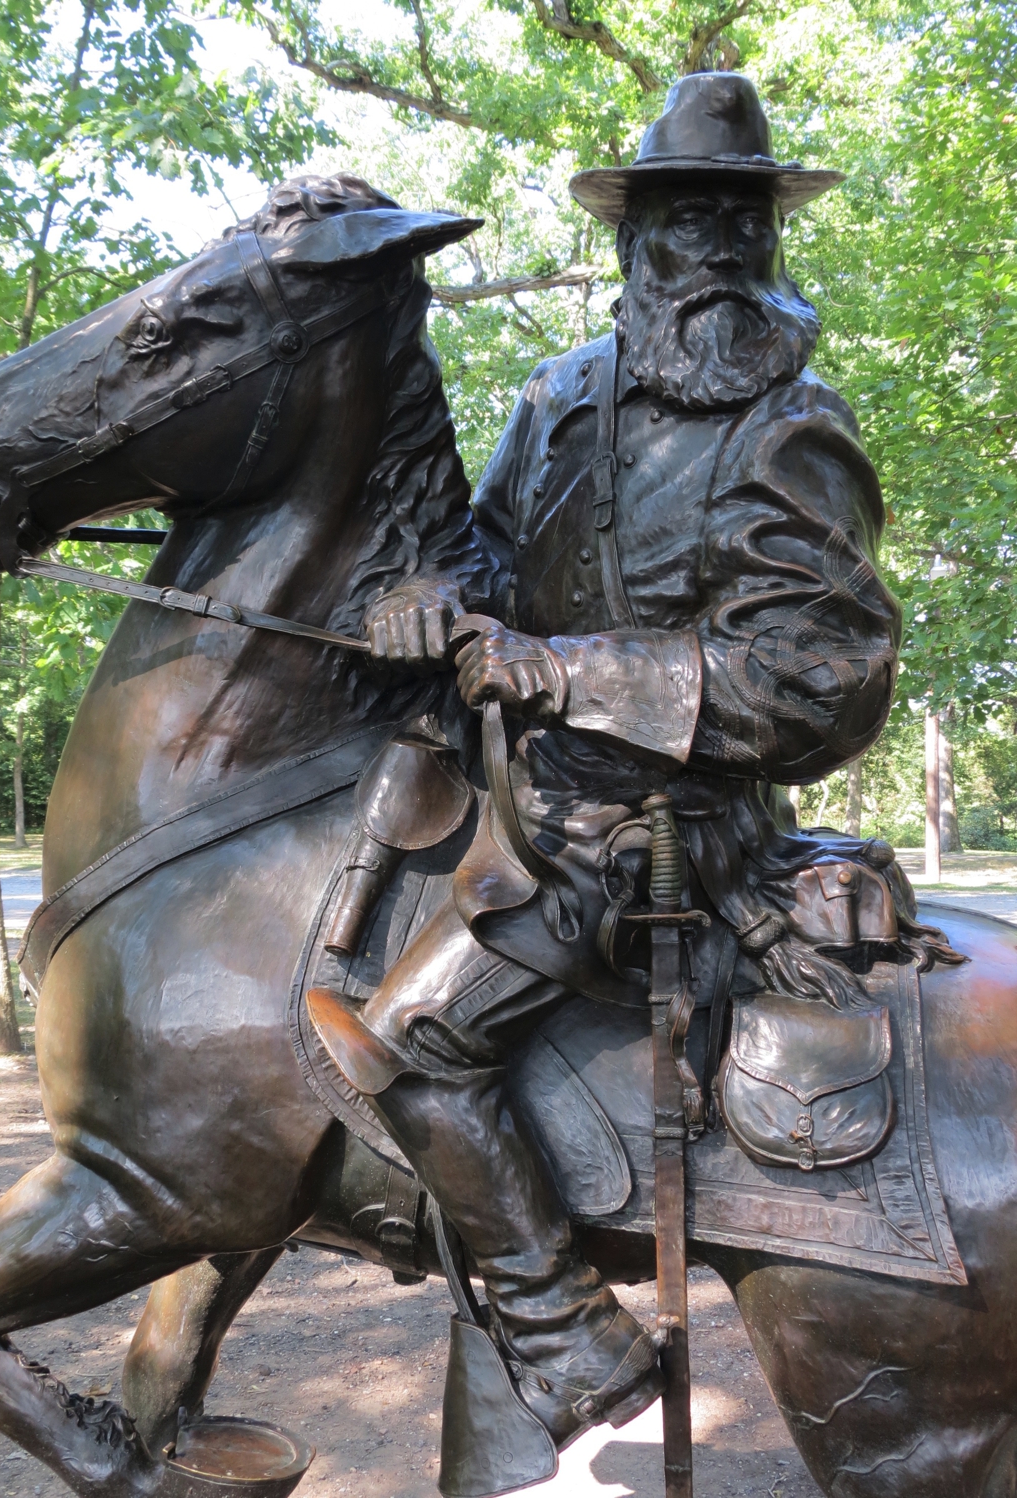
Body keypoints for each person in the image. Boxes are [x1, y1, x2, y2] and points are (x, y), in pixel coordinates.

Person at [310, 71, 902, 1449]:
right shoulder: (561, 394)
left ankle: (568, 1332)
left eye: (732, 217)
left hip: (663, 835)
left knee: (409, 1039)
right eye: (679, 216)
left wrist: (570, 670)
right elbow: (489, 561)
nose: (707, 245)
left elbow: (825, 680)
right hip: (528, 801)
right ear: (635, 237)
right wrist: (432, 603)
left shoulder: (791, 426)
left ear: (765, 238)